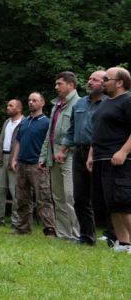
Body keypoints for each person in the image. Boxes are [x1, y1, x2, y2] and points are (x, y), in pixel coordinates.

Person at [88, 67, 131, 253]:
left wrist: (123, 152)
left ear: (120, 82)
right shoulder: (106, 103)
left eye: (107, 78)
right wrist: (91, 154)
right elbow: (98, 131)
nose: (103, 81)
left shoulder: (128, 101)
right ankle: (123, 243)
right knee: (111, 204)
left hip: (120, 159)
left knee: (124, 203)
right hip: (101, 157)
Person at [63, 70, 108, 245]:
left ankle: (114, 236)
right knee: (80, 197)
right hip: (79, 153)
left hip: (101, 153)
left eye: (95, 80)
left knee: (105, 196)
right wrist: (64, 148)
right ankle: (87, 236)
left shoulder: (108, 105)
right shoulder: (79, 104)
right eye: (89, 79)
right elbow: (72, 129)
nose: (89, 82)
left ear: (104, 84)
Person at [40, 71, 81, 240]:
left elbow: (78, 133)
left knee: (70, 195)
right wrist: (43, 156)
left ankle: (77, 234)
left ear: (70, 85)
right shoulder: (56, 105)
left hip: (69, 156)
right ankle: (64, 234)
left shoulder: (79, 104)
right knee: (58, 197)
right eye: (56, 84)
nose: (56, 87)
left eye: (59, 84)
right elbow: (50, 133)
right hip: (53, 156)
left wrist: (65, 151)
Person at [11, 92, 56, 236]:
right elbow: (18, 141)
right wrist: (14, 159)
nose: (31, 103)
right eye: (29, 100)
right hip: (22, 164)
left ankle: (49, 229)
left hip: (38, 164)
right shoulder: (24, 121)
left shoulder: (47, 122)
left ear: (42, 103)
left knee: (43, 198)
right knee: (22, 198)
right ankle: (23, 228)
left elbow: (50, 143)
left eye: (34, 100)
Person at [0, 99, 23, 227]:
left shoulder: (24, 123)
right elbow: (0, 141)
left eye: (11, 105)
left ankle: (16, 221)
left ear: (18, 109)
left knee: (16, 191)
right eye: (7, 105)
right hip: (2, 157)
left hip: (16, 159)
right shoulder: (6, 122)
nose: (7, 107)